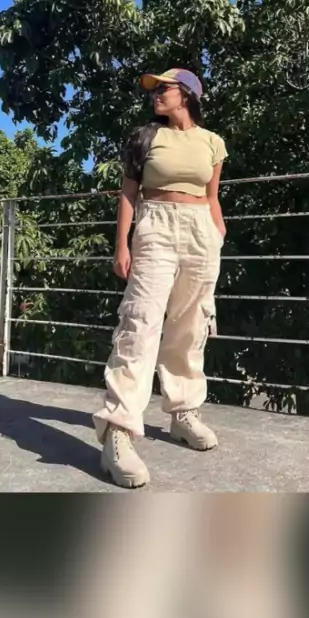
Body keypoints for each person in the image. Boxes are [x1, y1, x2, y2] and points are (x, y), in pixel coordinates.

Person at [93, 67, 228, 488]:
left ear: (187, 94)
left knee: (191, 324)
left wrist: (218, 233)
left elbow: (212, 196)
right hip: (155, 226)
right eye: (154, 90)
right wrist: (122, 244)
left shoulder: (212, 142)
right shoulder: (145, 137)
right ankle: (118, 432)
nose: (156, 94)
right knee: (140, 323)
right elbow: (128, 193)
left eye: (164, 88)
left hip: (200, 231)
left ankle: (183, 412)